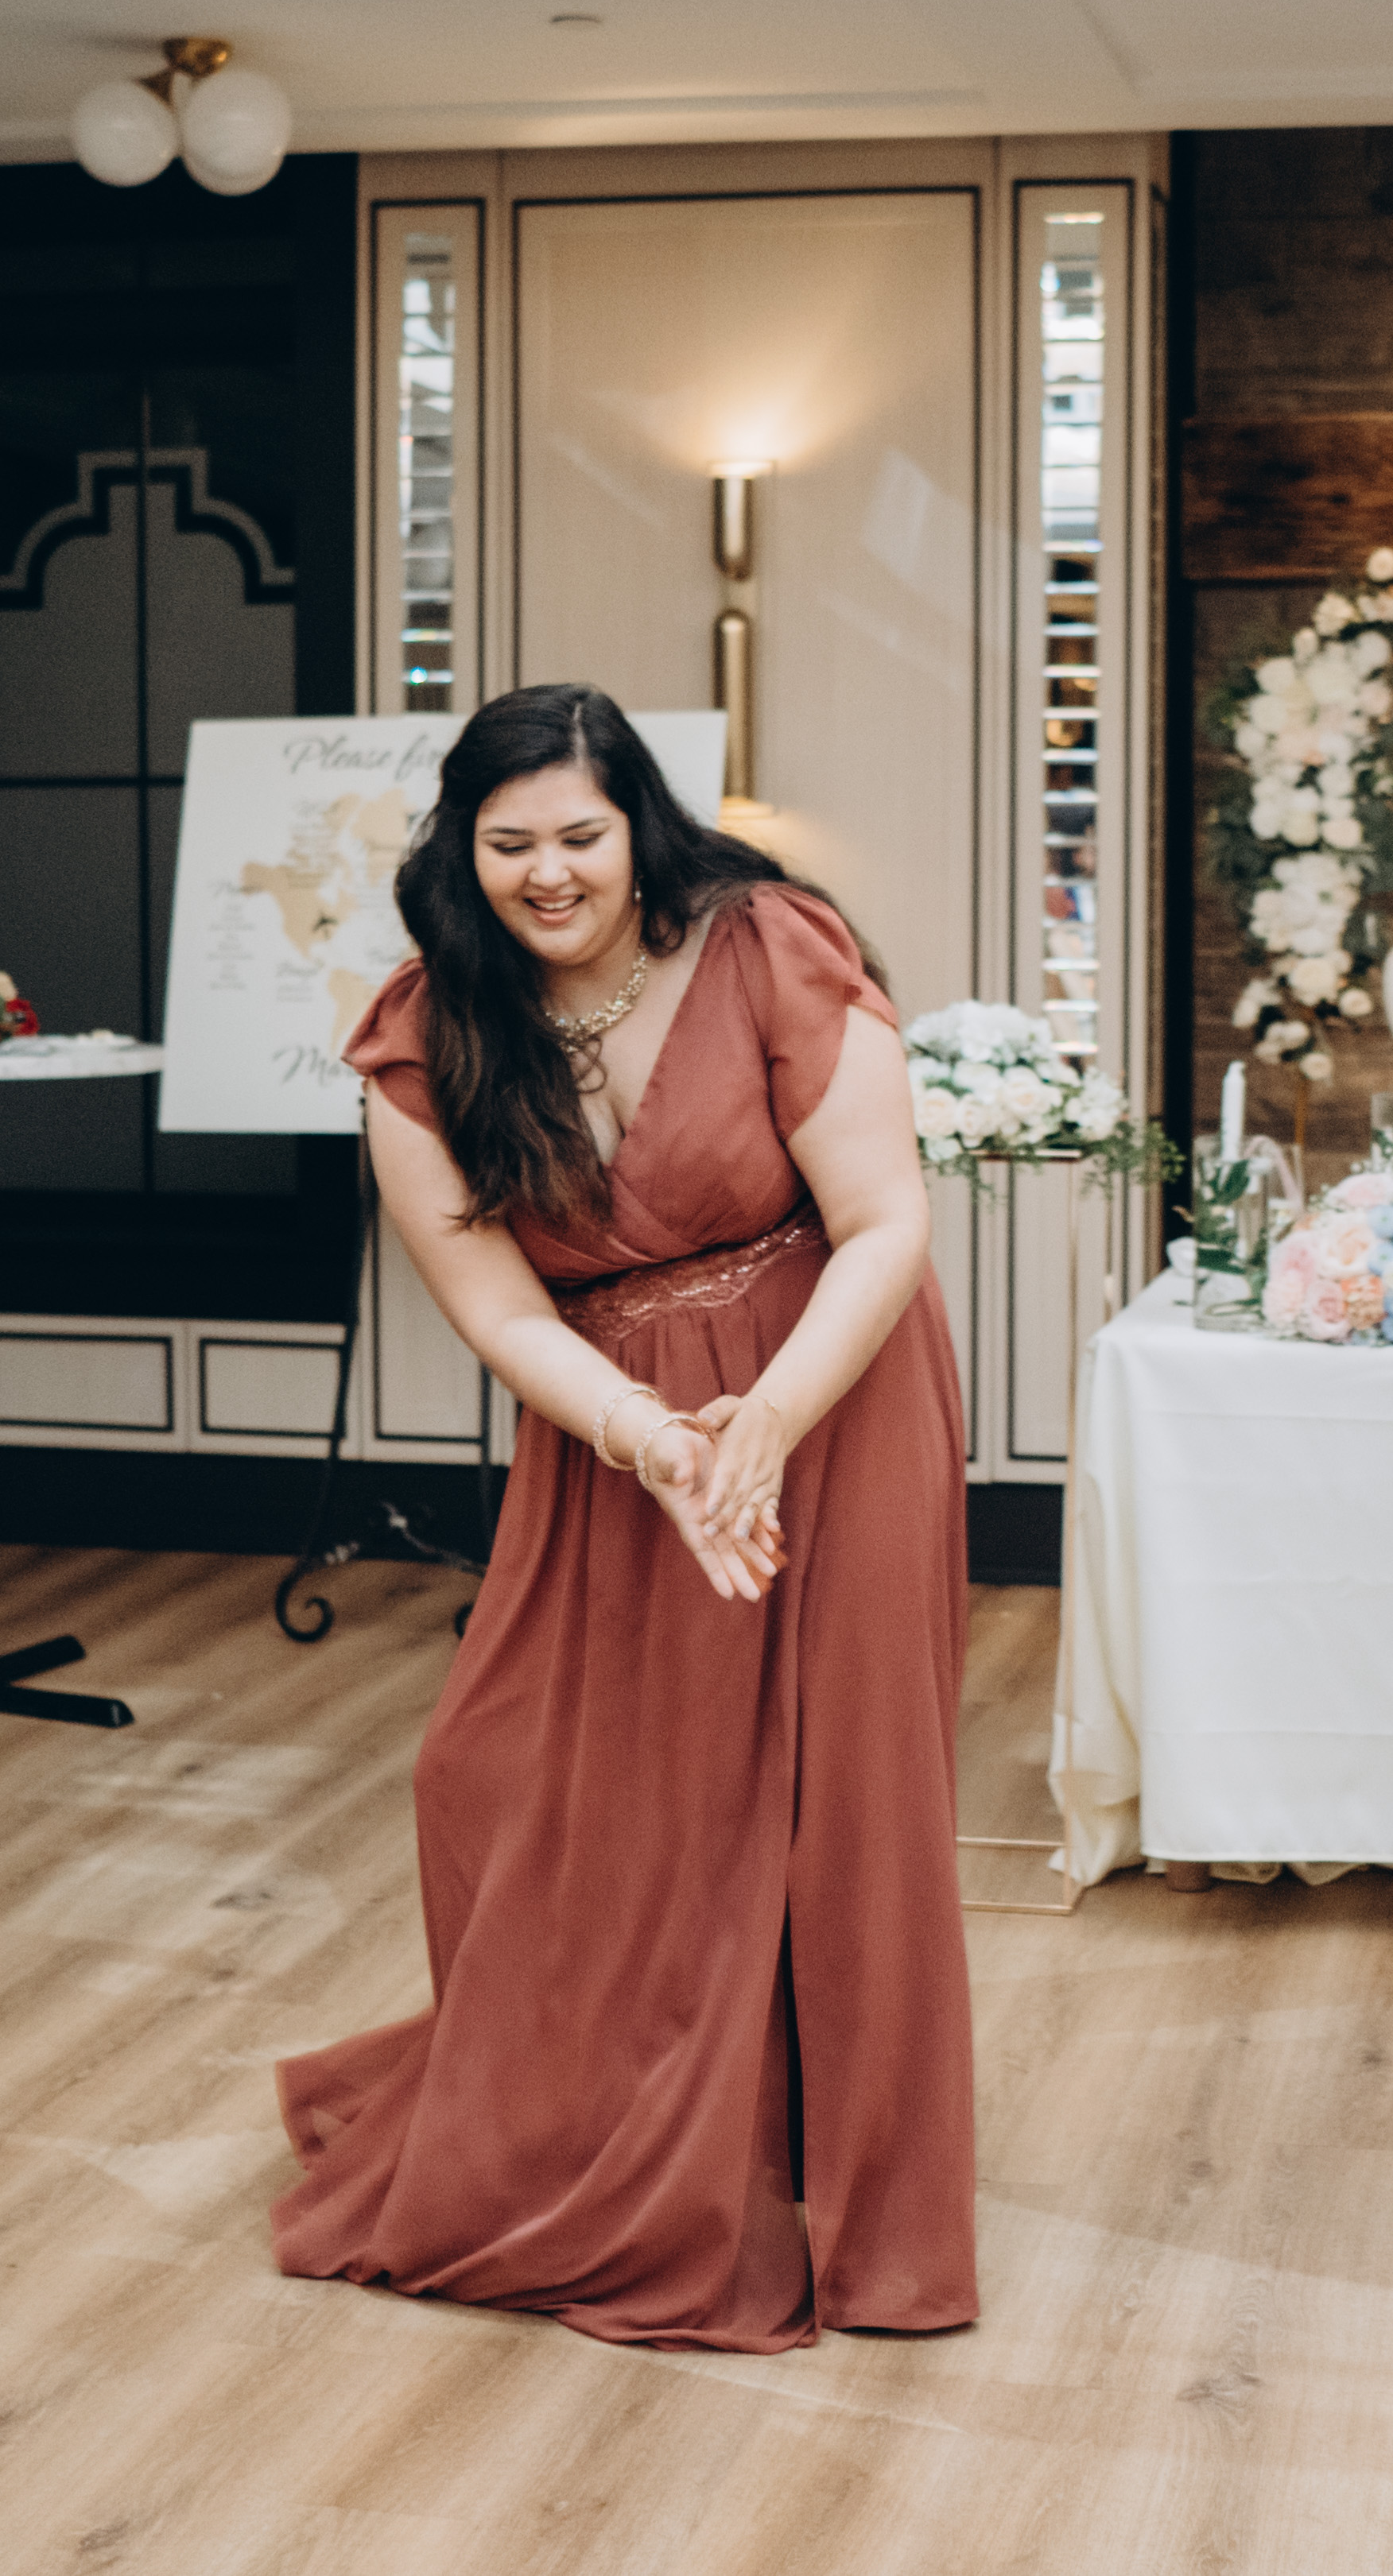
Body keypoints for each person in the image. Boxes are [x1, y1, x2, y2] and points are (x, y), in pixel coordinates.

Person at [272, 682, 976, 2351]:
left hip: (832, 1382)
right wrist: (657, 1443)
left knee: (841, 1799)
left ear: (637, 825)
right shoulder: (426, 1031)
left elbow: (885, 1222)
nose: (549, 873)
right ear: (462, 848)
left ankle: (866, 2213)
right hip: (613, 1431)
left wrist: (766, 1423)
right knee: (507, 1772)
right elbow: (497, 1308)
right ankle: (615, 2126)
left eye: (579, 835)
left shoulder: (769, 945)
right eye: (508, 842)